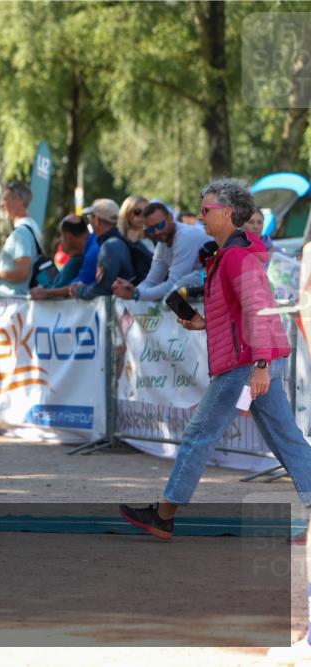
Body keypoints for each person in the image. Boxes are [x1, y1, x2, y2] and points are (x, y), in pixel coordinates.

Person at [119, 177, 311, 540]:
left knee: (199, 434)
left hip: (247, 365)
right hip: (253, 362)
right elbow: (246, 313)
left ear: (226, 212)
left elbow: (259, 311)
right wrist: (203, 322)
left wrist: (259, 366)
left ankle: (164, 514)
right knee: (285, 439)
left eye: (206, 210)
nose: (201, 217)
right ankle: (164, 513)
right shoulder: (232, 254)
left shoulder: (235, 256)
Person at [111, 202, 212, 301]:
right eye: (150, 229)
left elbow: (174, 284)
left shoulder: (185, 237)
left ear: (171, 218)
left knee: (184, 284)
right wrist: (131, 289)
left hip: (217, 288)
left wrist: (136, 294)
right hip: (206, 289)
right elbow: (151, 281)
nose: (157, 232)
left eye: (160, 225)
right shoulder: (162, 244)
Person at [0, 181, 42, 296]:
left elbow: (22, 272)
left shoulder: (22, 232)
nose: (1, 204)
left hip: (15, 303)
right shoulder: (32, 227)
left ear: (18, 201)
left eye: (5, 199)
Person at [69, 198, 135, 299]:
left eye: (91, 217)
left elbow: (104, 289)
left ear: (97, 220)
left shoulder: (109, 247)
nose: (89, 222)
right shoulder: (119, 241)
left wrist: (80, 290)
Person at [30, 215, 91, 299]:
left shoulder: (76, 262)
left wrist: (44, 292)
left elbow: (58, 289)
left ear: (69, 237)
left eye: (61, 235)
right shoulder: (82, 258)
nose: (59, 240)